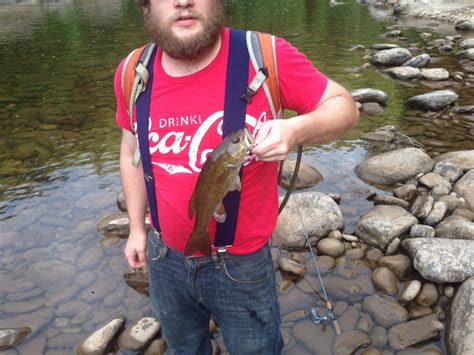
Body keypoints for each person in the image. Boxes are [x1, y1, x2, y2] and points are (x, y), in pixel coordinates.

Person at [114, 0, 359, 353]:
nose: (183, 2)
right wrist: (136, 229)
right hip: (162, 256)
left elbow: (345, 107)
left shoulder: (266, 55)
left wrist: (295, 129)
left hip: (242, 265)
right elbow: (130, 153)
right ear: (146, 7)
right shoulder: (132, 72)